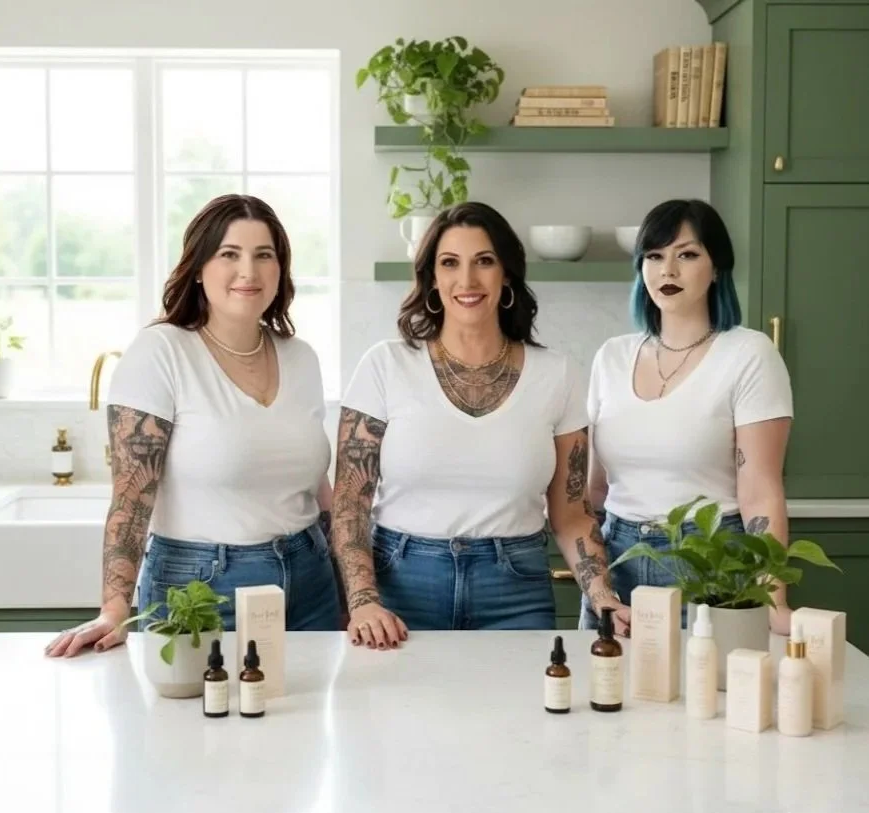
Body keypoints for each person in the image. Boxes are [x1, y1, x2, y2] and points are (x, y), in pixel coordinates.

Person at [45, 194, 340, 658]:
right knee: (199, 727)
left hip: (311, 582)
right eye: (229, 254)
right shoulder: (160, 353)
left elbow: (315, 482)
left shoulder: (301, 358)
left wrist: (354, 588)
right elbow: (131, 495)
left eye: (265, 255)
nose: (250, 271)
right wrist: (114, 608)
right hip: (200, 589)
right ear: (199, 267)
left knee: (306, 725)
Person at [331, 201, 630, 651]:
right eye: (449, 263)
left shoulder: (558, 374)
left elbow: (571, 515)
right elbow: (351, 502)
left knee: (523, 719)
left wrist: (603, 596)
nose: (467, 281)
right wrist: (363, 601)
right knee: (399, 722)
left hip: (515, 589)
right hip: (403, 586)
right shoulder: (385, 366)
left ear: (506, 274)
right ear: (432, 277)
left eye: (484, 262)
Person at [584, 198, 794, 635]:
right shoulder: (612, 356)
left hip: (710, 566)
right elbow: (594, 490)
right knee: (603, 694)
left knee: (703, 698)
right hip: (618, 564)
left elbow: (760, 491)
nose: (668, 271)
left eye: (688, 254)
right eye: (655, 256)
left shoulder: (748, 354)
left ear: (717, 267)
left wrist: (771, 597)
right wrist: (595, 581)